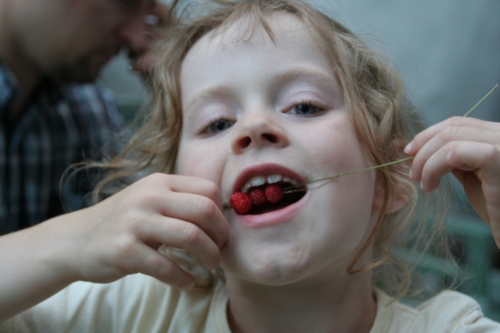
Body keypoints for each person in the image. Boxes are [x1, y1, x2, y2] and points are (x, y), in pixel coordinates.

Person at [1, 0, 499, 331]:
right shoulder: (131, 310)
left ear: (388, 182)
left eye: (304, 106)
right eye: (217, 123)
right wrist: (71, 242)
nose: (254, 127)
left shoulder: (448, 326)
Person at [0, 0, 165, 234]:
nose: (139, 40)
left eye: (149, 13)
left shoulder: (88, 110)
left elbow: (142, 235)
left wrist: (178, 91)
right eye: (125, 3)